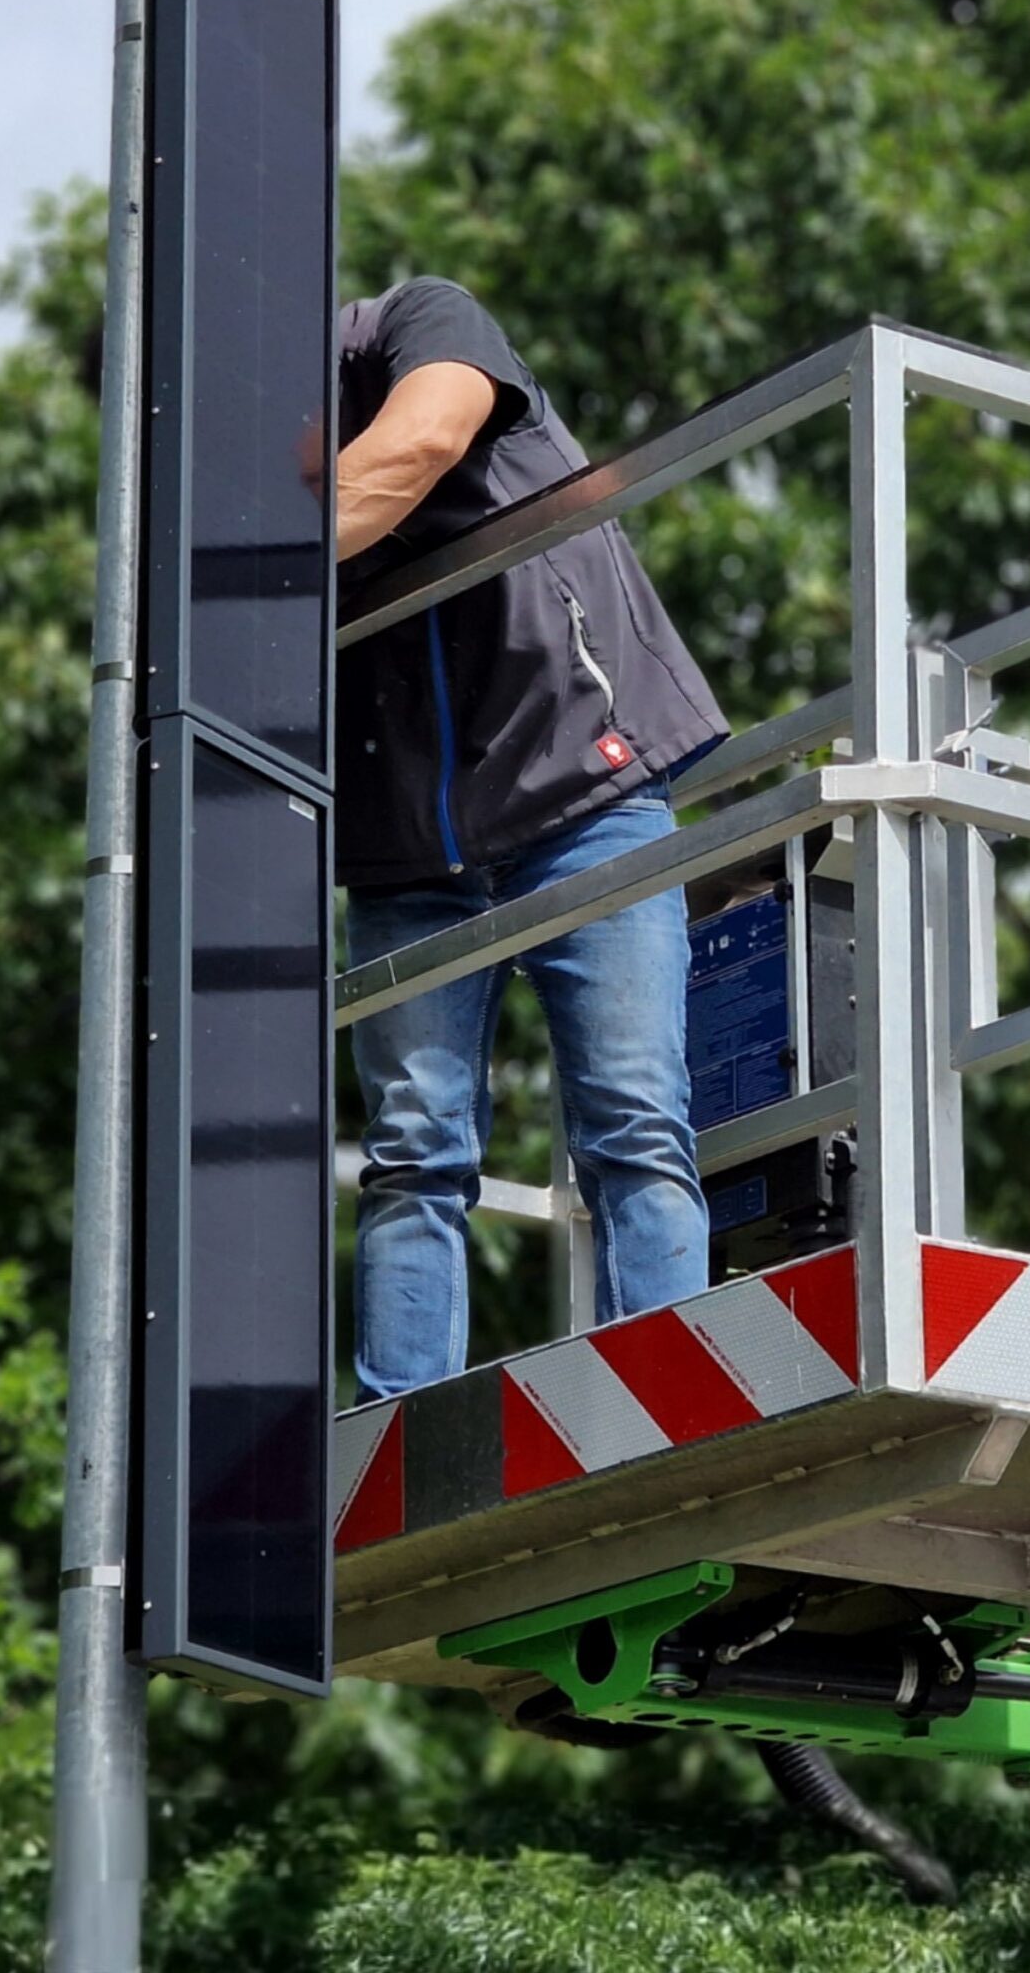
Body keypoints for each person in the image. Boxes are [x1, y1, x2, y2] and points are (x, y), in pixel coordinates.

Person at [332, 277, 726, 1403]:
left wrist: (236, 573)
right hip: (410, 854)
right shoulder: (259, 476)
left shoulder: (416, 322)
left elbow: (421, 440)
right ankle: (399, 1427)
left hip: (583, 801)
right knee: (411, 1157)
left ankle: (667, 1400)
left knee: (633, 1122)